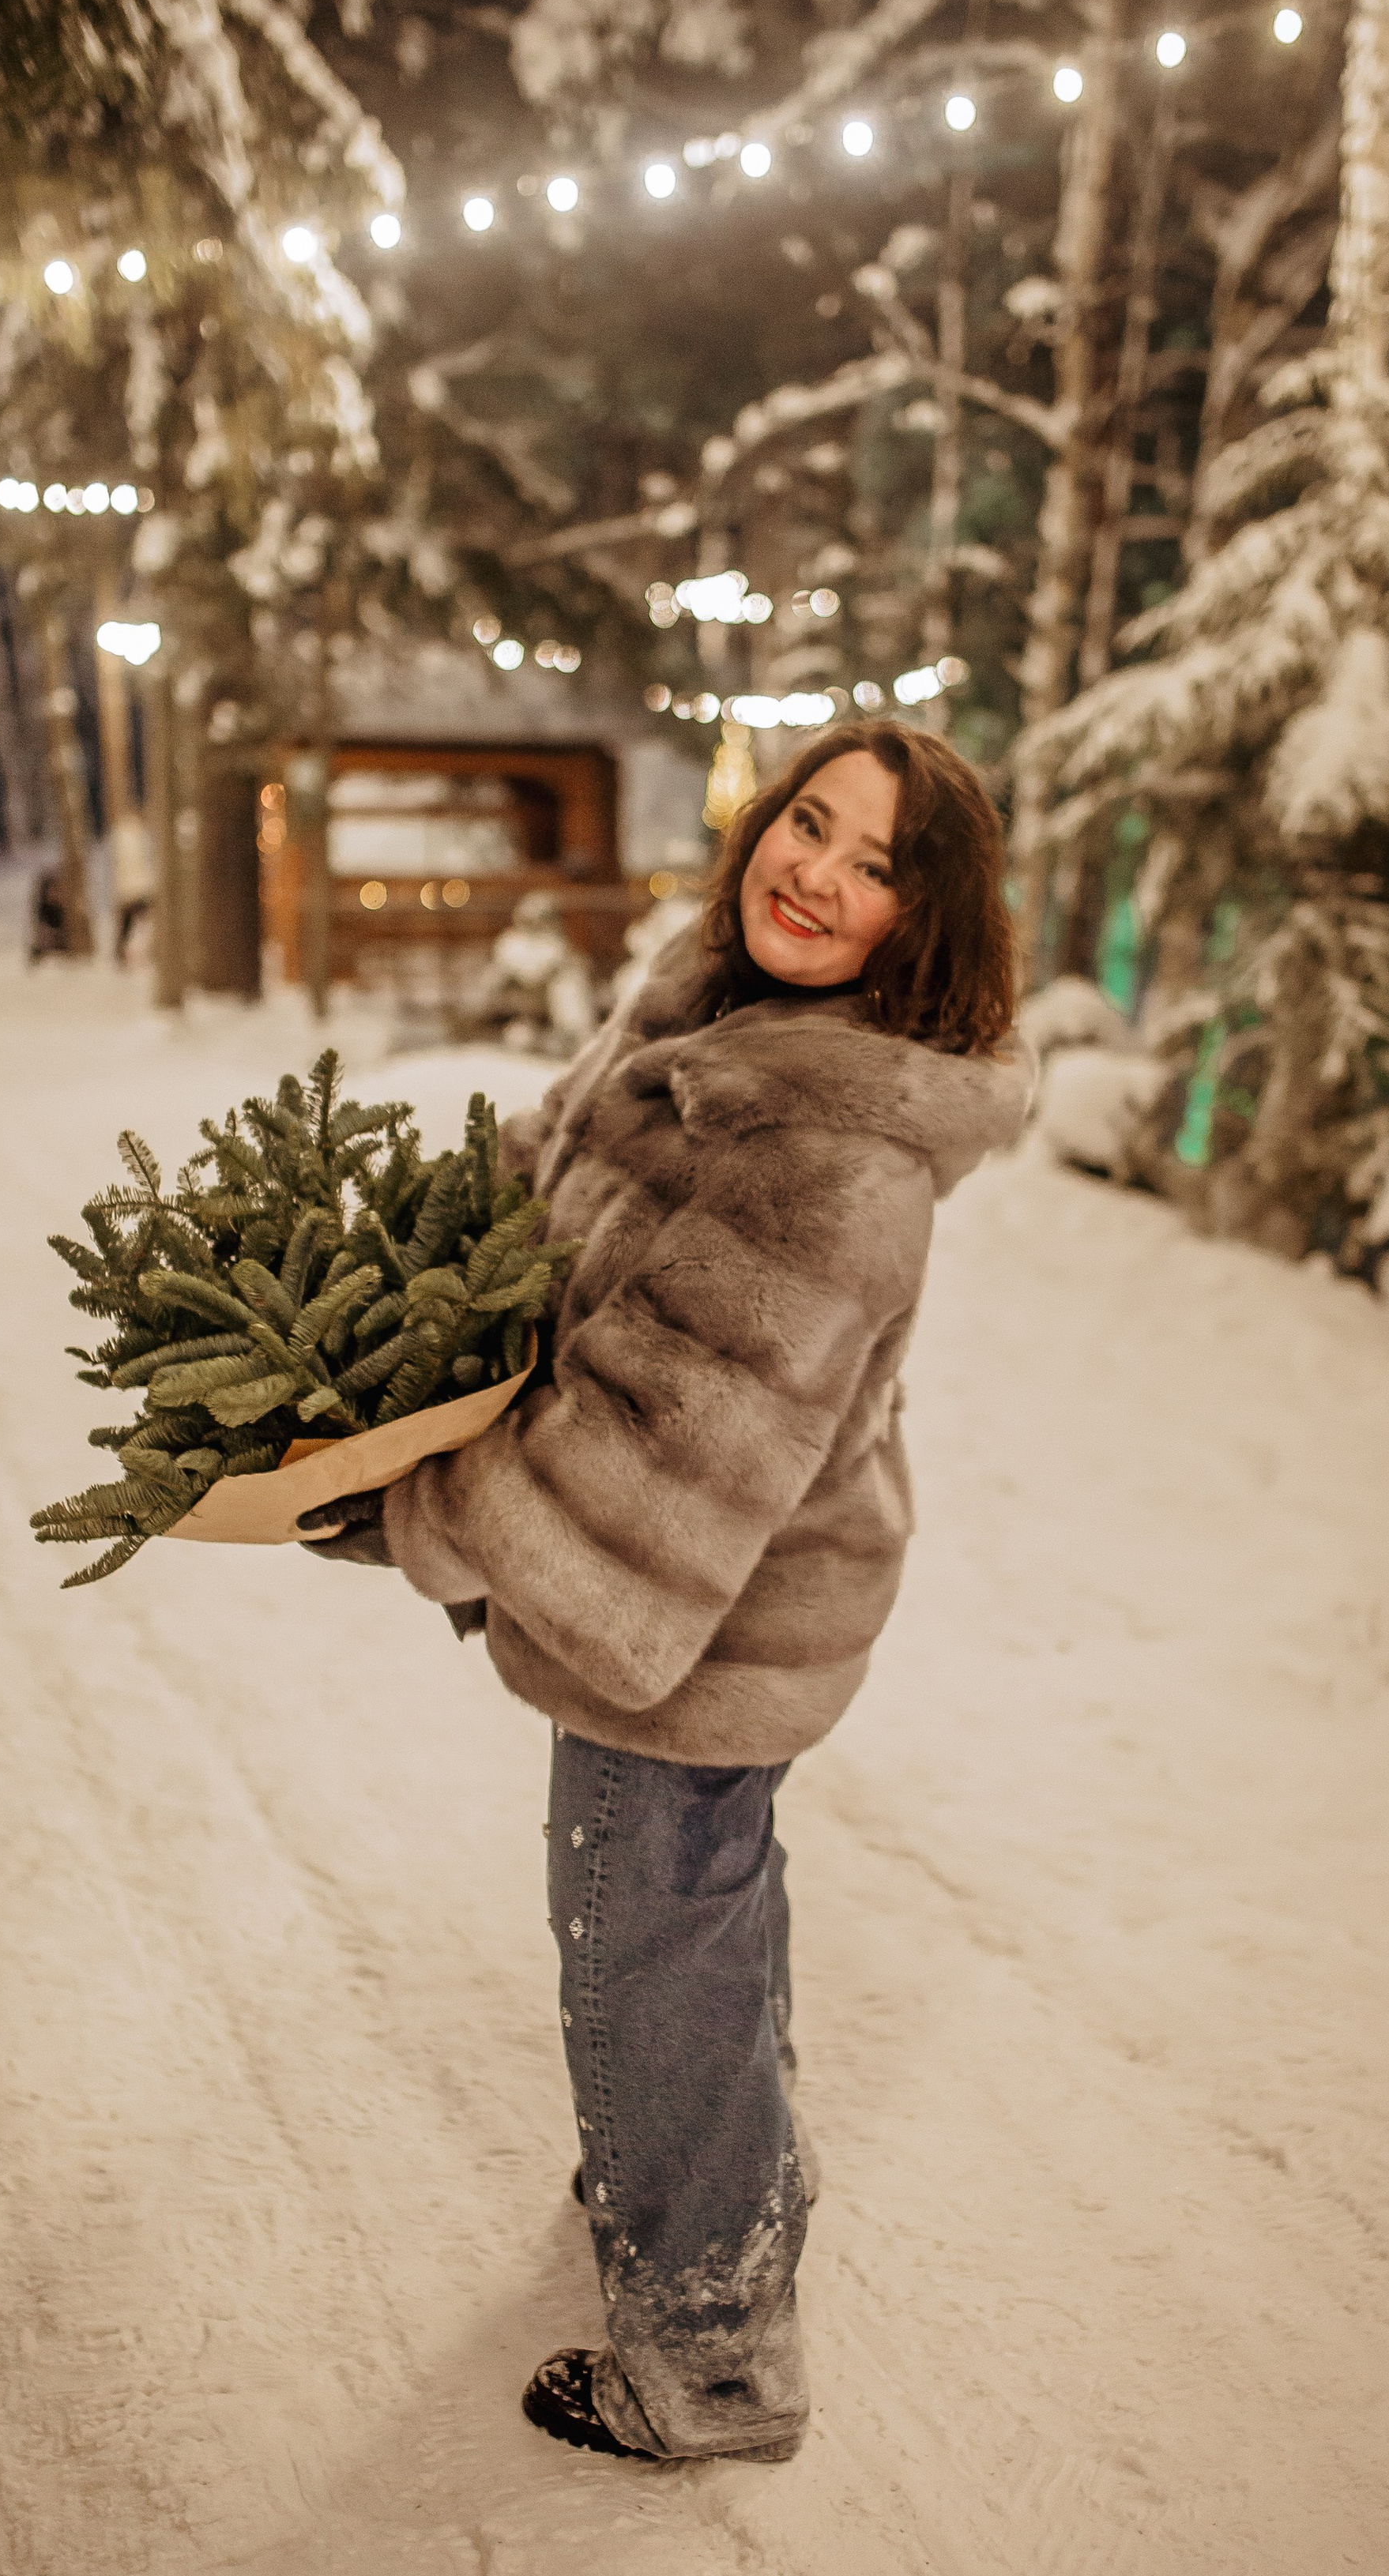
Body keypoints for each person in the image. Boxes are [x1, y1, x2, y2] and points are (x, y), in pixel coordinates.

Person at [300, 725, 1033, 2463]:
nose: (815, 872)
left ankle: (707, 2354)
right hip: (731, 1588)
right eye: (807, 824)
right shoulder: (706, 1009)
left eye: (872, 864)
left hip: (704, 1611)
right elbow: (558, 1188)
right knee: (707, 1899)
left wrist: (413, 1511)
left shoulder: (827, 1148)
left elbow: (656, 1443)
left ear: (919, 925)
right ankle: (713, 2165)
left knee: (649, 1943)